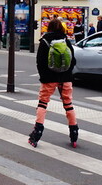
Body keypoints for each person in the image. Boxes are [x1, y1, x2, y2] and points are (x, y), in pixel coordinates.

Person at [29, 18, 79, 148]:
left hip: (49, 78)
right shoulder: (66, 40)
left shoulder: (44, 41)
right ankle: (74, 133)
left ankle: (37, 132)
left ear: (49, 28)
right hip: (66, 78)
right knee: (68, 104)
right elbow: (73, 60)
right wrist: (66, 74)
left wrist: (43, 77)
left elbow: (40, 62)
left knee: (42, 103)